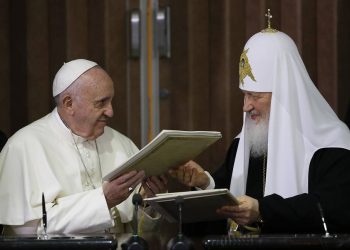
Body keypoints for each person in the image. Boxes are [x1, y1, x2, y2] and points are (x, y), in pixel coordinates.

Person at [170, 24, 350, 235]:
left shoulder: (331, 145)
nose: (246, 106)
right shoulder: (245, 144)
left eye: (256, 96)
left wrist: (263, 211)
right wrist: (206, 183)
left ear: (285, 95)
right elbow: (225, 212)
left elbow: (336, 211)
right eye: (245, 95)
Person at [0, 59, 167, 235]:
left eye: (110, 101)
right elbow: (27, 232)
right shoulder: (23, 146)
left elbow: (141, 234)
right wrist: (103, 201)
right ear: (68, 103)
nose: (111, 111)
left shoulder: (121, 143)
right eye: (101, 103)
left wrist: (149, 202)